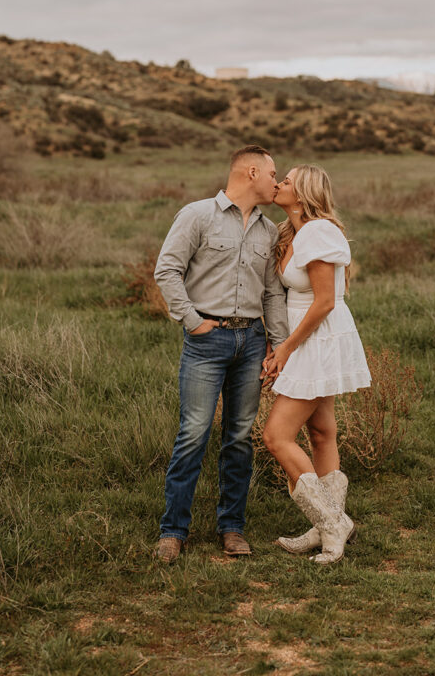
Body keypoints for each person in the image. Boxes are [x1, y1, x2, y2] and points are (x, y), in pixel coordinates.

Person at [153, 145, 289, 563]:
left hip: (250, 343)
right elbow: (167, 270)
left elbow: (271, 293)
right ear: (251, 172)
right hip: (206, 342)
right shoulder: (197, 215)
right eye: (272, 174)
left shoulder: (269, 231)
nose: (277, 181)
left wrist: (279, 345)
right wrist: (192, 320)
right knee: (193, 434)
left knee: (239, 438)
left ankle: (232, 528)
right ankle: (173, 531)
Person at [262, 164, 371, 564]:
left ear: (304, 192)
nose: (279, 184)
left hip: (315, 339)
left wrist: (287, 348)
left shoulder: (318, 231)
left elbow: (325, 301)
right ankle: (330, 527)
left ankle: (329, 522)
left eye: (286, 181)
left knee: (276, 435)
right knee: (322, 432)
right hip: (307, 336)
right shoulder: (291, 232)